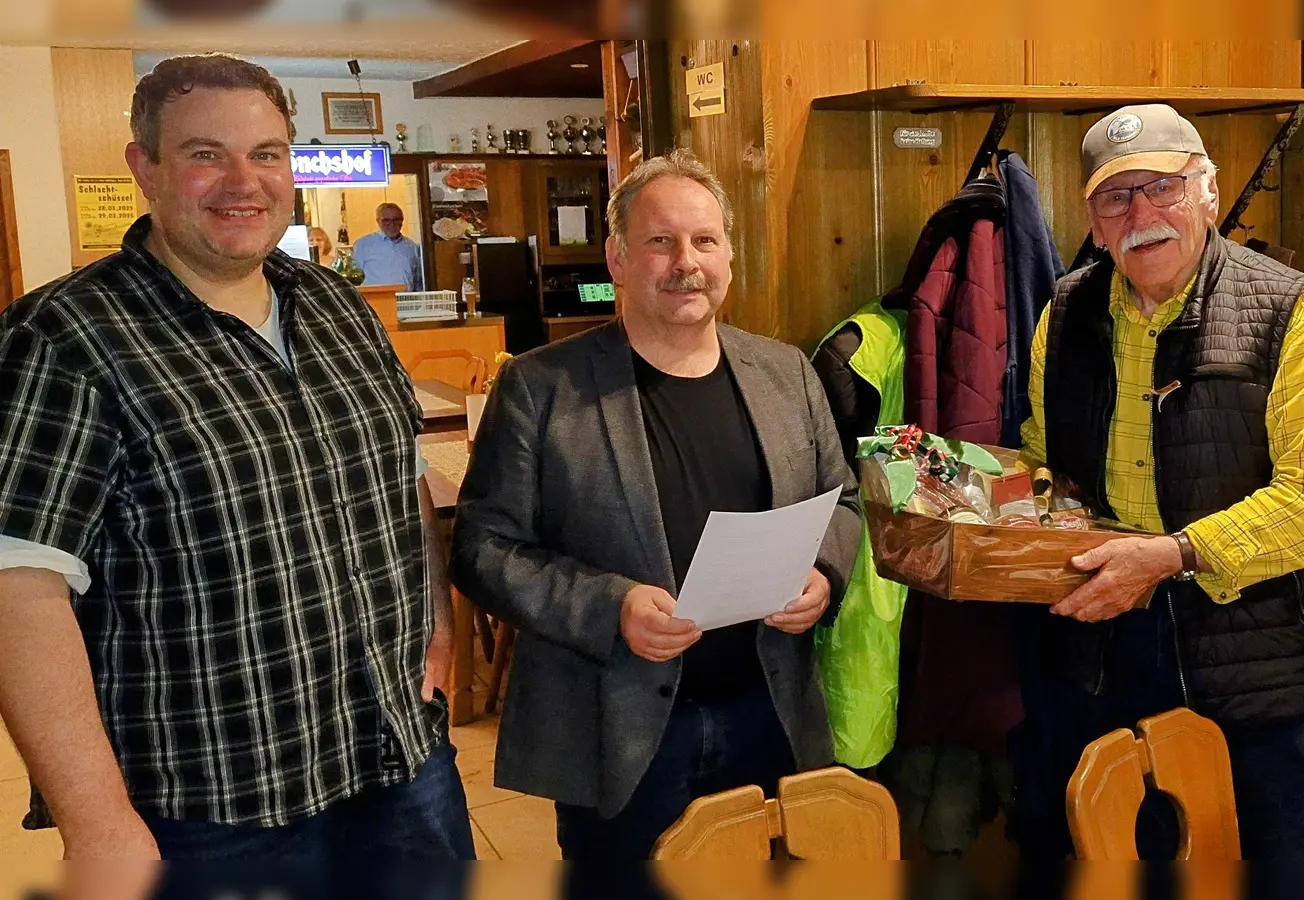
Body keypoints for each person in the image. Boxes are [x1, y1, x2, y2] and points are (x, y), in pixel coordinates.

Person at [0, 53, 471, 861]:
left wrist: (433, 620)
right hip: (213, 803)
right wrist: (97, 822)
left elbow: (398, 478)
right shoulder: (63, 339)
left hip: (397, 754)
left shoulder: (332, 304)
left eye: (266, 154)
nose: (241, 181)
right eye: (204, 154)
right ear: (144, 167)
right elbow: (20, 588)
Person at [451, 148, 859, 864]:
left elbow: (843, 502)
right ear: (617, 258)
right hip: (620, 726)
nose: (686, 262)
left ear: (729, 255)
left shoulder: (787, 371)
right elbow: (484, 549)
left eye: (705, 240)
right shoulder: (541, 388)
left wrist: (824, 574)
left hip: (768, 708)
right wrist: (611, 608)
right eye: (660, 241)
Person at [1011, 103, 1304, 867]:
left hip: (1248, 665)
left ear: (1209, 190)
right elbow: (1042, 461)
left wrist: (1172, 556)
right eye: (1116, 197)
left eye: (1163, 188)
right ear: (1094, 222)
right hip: (1097, 650)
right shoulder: (1063, 316)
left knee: (1268, 870)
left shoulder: (1289, 313)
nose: (1141, 214)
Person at [352, 202, 423, 290]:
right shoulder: (363, 245)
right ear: (378, 221)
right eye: (386, 220)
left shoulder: (412, 246)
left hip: (406, 301)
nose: (392, 224)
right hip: (375, 301)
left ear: (402, 221)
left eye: (396, 219)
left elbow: (418, 281)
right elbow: (354, 278)